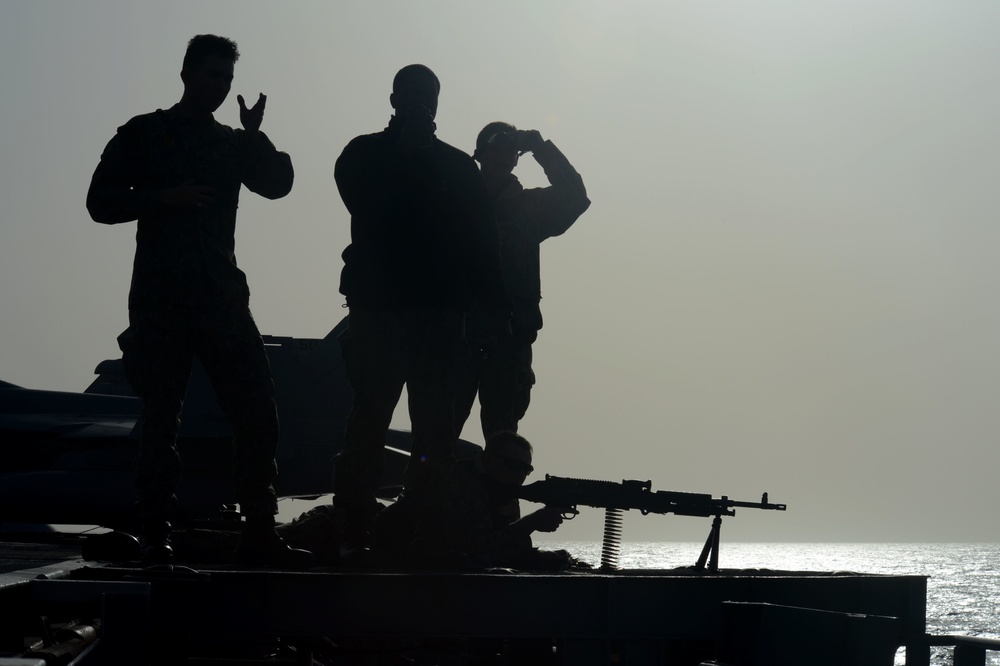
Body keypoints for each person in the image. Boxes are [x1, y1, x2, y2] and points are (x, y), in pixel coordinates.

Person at [86, 34, 312, 568]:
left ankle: (260, 528)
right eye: (212, 75)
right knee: (162, 419)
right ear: (187, 74)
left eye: (227, 80)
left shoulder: (233, 143)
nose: (220, 87)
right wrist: (163, 198)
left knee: (258, 410)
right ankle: (153, 532)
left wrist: (255, 134)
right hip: (161, 299)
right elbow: (100, 202)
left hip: (221, 298)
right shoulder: (146, 134)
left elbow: (279, 183)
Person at [333, 65, 510, 553]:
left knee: (434, 432)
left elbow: (483, 246)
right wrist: (406, 152)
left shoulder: (457, 168)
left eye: (429, 95)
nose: (420, 103)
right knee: (368, 422)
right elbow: (366, 206)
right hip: (380, 313)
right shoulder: (363, 154)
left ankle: (426, 534)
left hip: (440, 318)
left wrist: (494, 313)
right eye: (411, 94)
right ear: (393, 98)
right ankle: (352, 532)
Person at [456, 123, 591, 440]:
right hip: (457, 338)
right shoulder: (456, 202)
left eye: (510, 150)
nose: (504, 156)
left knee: (502, 440)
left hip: (509, 342)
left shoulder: (528, 210)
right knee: (437, 439)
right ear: (480, 154)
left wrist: (539, 146)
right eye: (496, 147)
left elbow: (574, 196)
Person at [373, 431, 577, 570]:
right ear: (487, 459)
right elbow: (476, 548)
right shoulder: (456, 482)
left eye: (526, 469)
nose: (520, 474)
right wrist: (530, 523)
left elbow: (505, 548)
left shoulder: (503, 491)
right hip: (397, 562)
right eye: (513, 465)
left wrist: (539, 555)